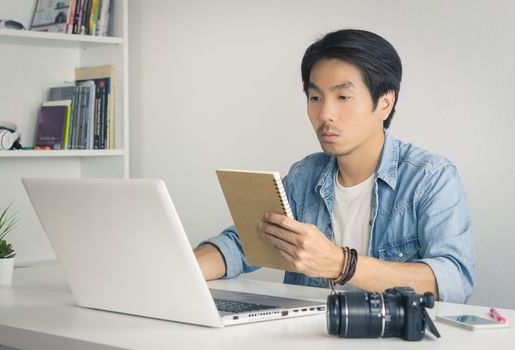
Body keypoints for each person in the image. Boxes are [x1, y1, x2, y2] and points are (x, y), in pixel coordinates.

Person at [194, 29, 476, 304]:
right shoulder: (304, 176)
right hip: (311, 335)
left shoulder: (430, 177)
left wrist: (341, 264)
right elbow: (242, 244)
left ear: (385, 104)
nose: (325, 114)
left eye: (342, 97)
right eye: (315, 97)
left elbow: (454, 280)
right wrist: (180, 268)